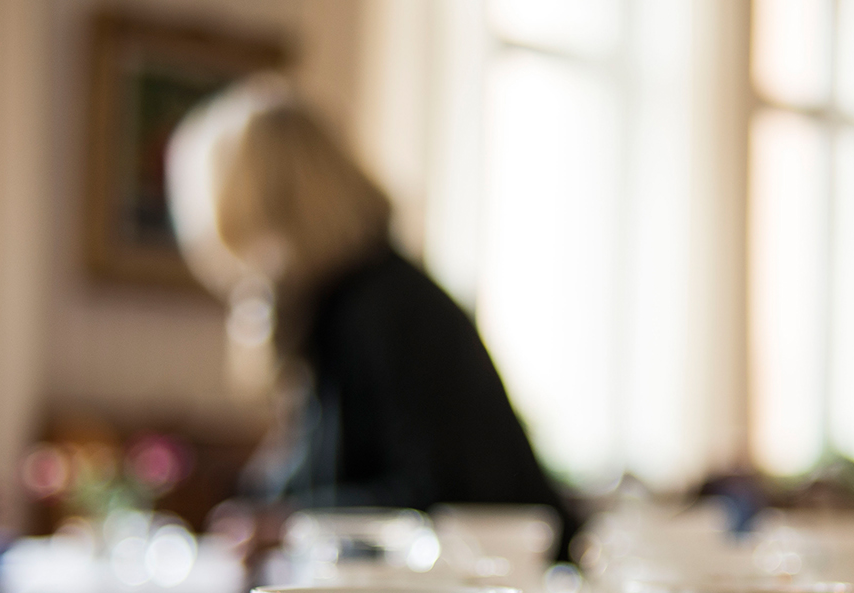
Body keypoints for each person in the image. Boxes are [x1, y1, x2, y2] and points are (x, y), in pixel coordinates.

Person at [167, 78, 577, 557]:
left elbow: (436, 494)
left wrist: (288, 525)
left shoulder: (385, 311)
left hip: (502, 590)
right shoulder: (343, 306)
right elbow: (311, 476)